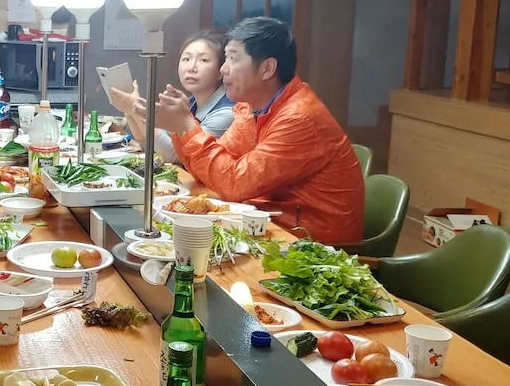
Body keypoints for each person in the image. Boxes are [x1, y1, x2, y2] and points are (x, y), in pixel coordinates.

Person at [141, 17, 364, 244]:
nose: (223, 69)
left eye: (232, 59)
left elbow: (234, 184)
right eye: (225, 58)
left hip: (312, 243)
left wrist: (186, 127)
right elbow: (209, 172)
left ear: (267, 68)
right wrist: (181, 127)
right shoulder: (251, 107)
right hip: (267, 224)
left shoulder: (299, 118)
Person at [110, 31, 233, 162]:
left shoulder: (227, 113)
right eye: (186, 59)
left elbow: (174, 156)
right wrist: (129, 111)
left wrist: (133, 107)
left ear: (221, 70)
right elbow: (149, 146)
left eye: (203, 60)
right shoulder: (191, 103)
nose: (191, 67)